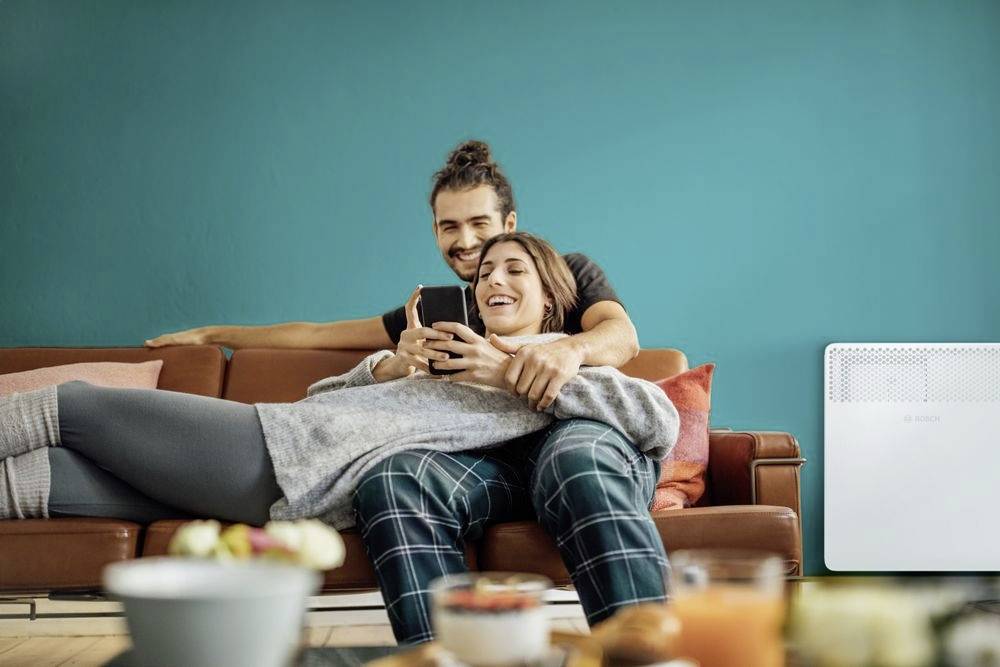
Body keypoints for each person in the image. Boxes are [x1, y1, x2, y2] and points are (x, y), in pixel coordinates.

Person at [0, 237, 677, 637]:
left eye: (513, 269)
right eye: (483, 273)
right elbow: (319, 402)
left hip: (290, 465)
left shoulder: (562, 356)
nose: (492, 277)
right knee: (43, 478)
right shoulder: (449, 356)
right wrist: (391, 364)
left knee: (77, 407)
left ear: (553, 296)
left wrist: (515, 370)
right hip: (292, 438)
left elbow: (655, 418)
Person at [145, 140, 639, 413]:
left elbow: (622, 337)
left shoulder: (569, 272)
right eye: (450, 227)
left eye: (479, 224)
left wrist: (566, 350)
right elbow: (317, 335)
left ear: (510, 224)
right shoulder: (437, 310)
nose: (465, 241)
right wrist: (212, 334)